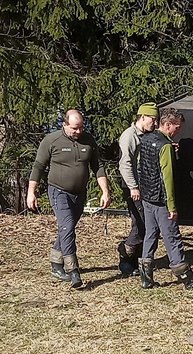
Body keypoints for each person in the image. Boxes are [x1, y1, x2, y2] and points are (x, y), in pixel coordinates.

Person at [27, 109, 111, 288]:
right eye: (75, 128)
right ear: (64, 125)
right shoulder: (51, 140)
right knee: (67, 227)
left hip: (79, 194)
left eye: (81, 127)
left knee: (67, 227)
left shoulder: (88, 140)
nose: (79, 131)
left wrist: (105, 191)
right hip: (59, 191)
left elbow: (98, 166)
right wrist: (31, 192)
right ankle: (73, 271)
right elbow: (38, 167)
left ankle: (56, 263)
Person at [137, 107, 193, 290]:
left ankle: (146, 276)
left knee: (150, 235)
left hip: (147, 197)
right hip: (162, 200)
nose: (178, 131)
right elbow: (167, 178)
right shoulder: (164, 147)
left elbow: (143, 167)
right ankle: (186, 277)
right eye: (177, 127)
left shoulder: (146, 139)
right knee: (172, 237)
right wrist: (172, 206)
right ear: (168, 124)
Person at [116, 102, 158, 275]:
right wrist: (133, 187)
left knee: (145, 224)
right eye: (152, 119)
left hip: (145, 187)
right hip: (133, 188)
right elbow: (124, 163)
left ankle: (136, 262)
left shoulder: (147, 134)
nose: (154, 123)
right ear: (142, 117)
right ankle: (125, 255)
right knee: (140, 224)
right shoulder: (129, 136)